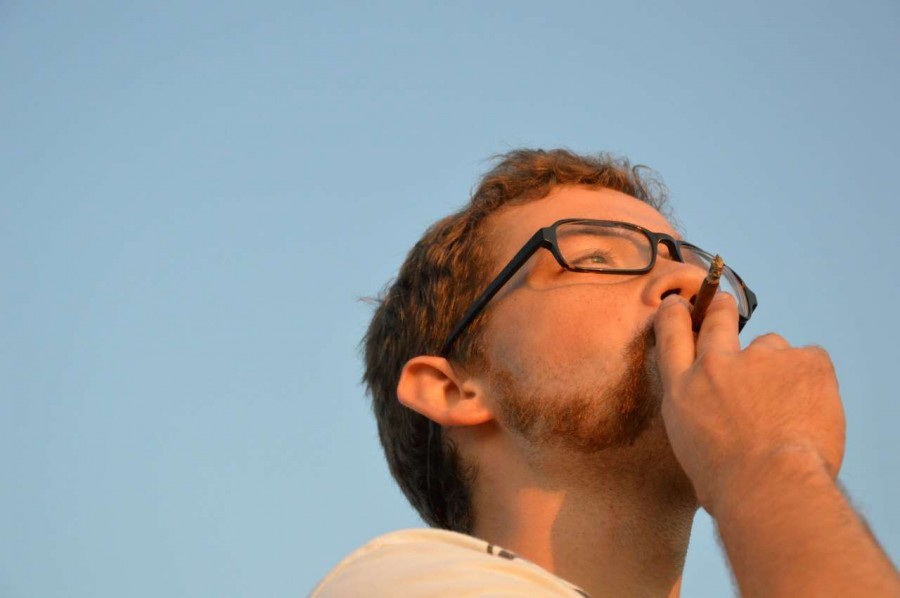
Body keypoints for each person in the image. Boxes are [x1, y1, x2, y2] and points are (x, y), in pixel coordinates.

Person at [312, 149, 899, 597]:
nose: (691, 283)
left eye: (690, 263)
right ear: (454, 389)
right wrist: (771, 462)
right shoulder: (406, 584)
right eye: (594, 257)